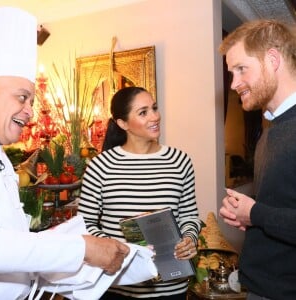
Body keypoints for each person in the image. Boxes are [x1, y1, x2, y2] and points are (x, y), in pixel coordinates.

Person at [0, 6, 129, 300]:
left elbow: (14, 243)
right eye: (22, 97)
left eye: (32, 100)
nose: (30, 111)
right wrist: (82, 248)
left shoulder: (1, 157)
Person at [78, 86, 202, 299]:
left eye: (154, 108)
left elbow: (189, 216)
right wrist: (113, 248)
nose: (155, 117)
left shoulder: (179, 161)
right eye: (143, 112)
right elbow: (85, 224)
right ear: (122, 123)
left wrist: (190, 238)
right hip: (118, 286)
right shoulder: (101, 165)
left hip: (170, 288)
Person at [219, 19, 296, 300]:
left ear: (272, 59)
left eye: (241, 69)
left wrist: (255, 214)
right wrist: (251, 217)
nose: (234, 84)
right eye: (231, 73)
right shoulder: (271, 131)